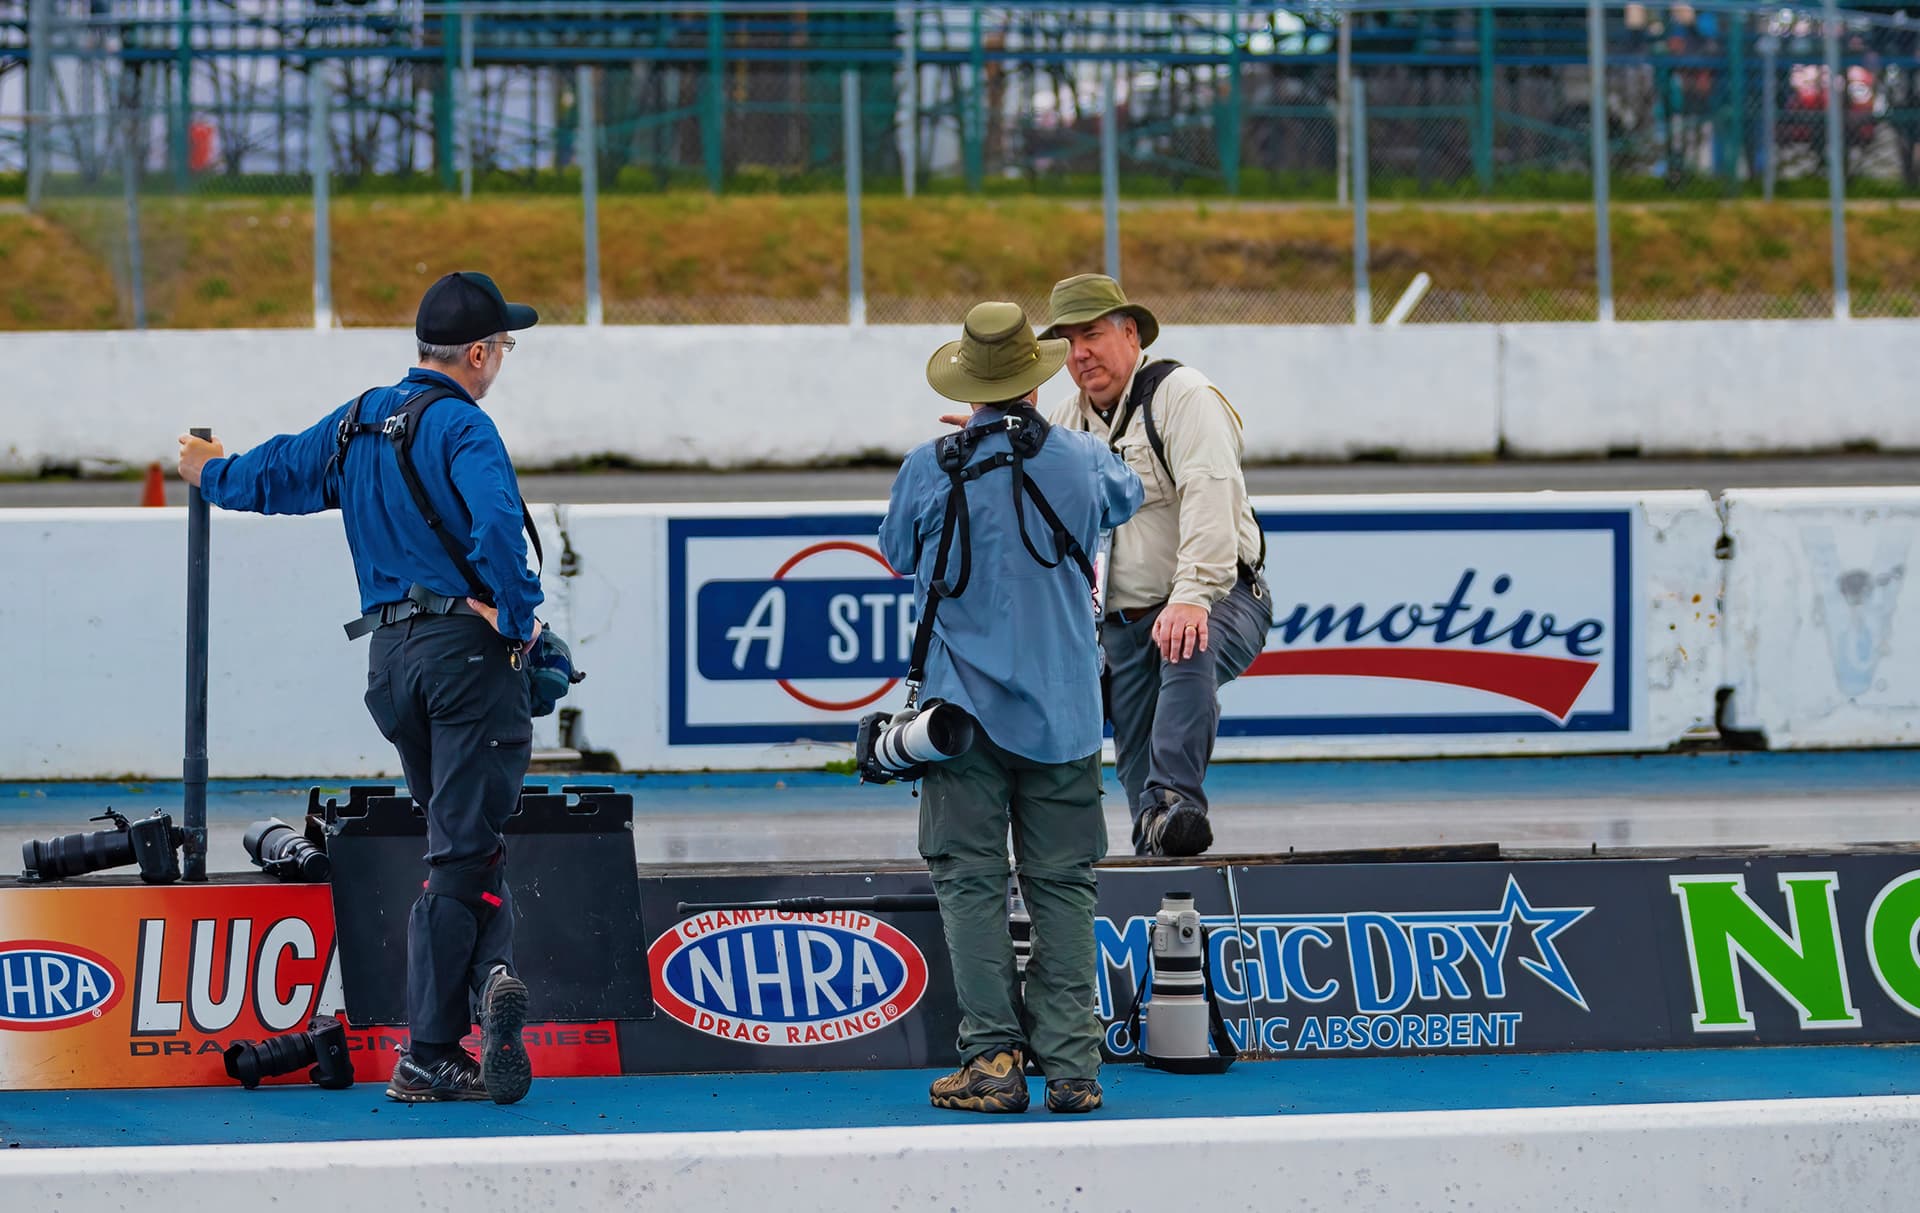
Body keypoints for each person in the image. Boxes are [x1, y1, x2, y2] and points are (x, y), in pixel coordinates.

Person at [176, 271, 542, 1105]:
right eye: (506, 347)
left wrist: (209, 469)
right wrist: (518, 619)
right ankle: (430, 1049)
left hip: (391, 663)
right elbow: (495, 530)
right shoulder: (466, 430)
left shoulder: (360, 418)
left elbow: (275, 476)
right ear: (479, 353)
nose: (504, 360)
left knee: (465, 843)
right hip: (464, 662)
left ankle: (487, 985)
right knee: (462, 850)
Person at [880, 301, 1143, 1114]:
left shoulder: (932, 465)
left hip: (960, 719)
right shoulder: (1079, 460)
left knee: (970, 882)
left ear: (971, 380)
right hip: (1063, 712)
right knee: (1064, 885)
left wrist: (970, 446)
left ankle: (992, 1061)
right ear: (1034, 379)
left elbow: (895, 552)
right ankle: (1073, 1067)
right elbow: (1126, 495)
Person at [1040, 273, 1272, 858]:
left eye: (1091, 334)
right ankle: (1158, 836)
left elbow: (1210, 494)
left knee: (1185, 644)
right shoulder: (1067, 420)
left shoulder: (1181, 394)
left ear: (1131, 331)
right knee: (1135, 764)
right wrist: (990, 441)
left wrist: (1191, 595)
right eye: (1067, 343)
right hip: (1120, 623)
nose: (1080, 353)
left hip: (1220, 598)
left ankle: (1176, 799)